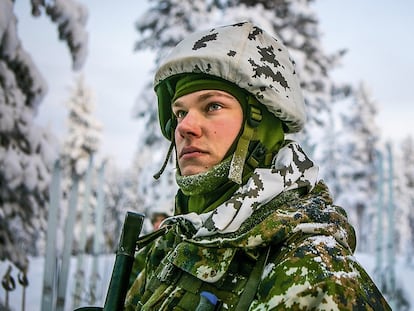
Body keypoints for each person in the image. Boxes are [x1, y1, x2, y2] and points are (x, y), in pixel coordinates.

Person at [125, 21, 391, 310]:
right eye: (179, 113)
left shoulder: (314, 277)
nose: (185, 126)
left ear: (259, 123)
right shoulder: (166, 247)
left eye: (212, 106)